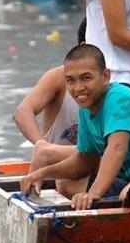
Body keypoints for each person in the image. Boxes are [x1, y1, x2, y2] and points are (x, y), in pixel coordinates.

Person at [20, 44, 130, 210]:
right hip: (125, 178)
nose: (78, 88)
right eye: (70, 81)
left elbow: (117, 148)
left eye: (86, 78)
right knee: (65, 183)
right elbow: (85, 159)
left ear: (105, 76)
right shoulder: (85, 108)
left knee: (127, 195)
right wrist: (42, 174)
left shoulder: (119, 98)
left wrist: (93, 194)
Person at [13, 18, 86, 197]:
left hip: (93, 164)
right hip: (59, 169)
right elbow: (22, 112)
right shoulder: (58, 77)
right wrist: (41, 145)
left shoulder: (116, 85)